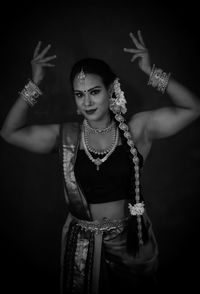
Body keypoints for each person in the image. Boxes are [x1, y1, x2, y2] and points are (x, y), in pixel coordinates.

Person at [1, 30, 200, 294]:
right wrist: (34, 83)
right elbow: (9, 132)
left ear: (111, 90)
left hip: (130, 243)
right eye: (79, 94)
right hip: (81, 244)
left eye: (94, 91)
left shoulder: (137, 129)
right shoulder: (66, 136)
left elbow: (193, 108)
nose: (87, 101)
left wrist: (151, 71)